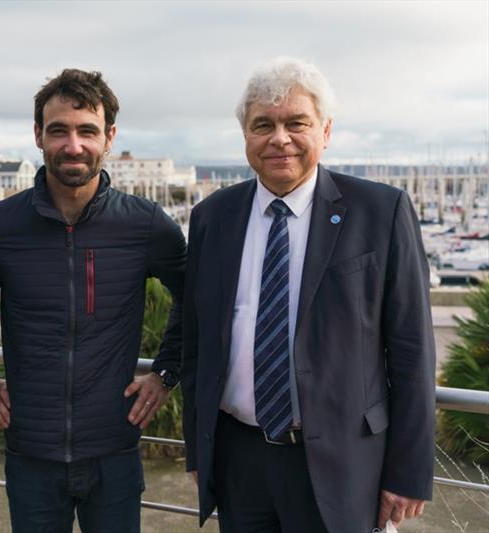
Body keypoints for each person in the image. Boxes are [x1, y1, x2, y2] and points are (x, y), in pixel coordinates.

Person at [181, 57, 435, 533]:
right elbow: (197, 344)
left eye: (296, 123)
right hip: (239, 462)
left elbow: (412, 350)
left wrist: (409, 471)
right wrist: (201, 449)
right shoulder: (213, 216)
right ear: (246, 137)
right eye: (263, 125)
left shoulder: (380, 212)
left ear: (326, 131)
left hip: (344, 464)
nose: (279, 138)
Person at [0, 68, 185, 533]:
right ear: (37, 136)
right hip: (31, 454)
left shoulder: (145, 225)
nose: (73, 145)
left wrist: (166, 374)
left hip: (115, 452)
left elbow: (198, 299)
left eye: (87, 131)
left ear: (109, 137)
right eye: (59, 131)